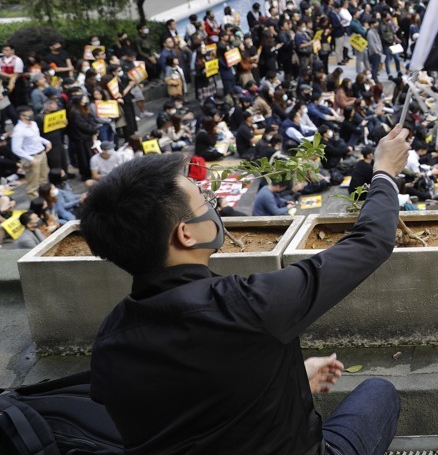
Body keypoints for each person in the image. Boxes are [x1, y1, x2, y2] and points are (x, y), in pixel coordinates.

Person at [78, 126, 411, 455]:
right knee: (379, 392)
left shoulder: (109, 340)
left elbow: (189, 408)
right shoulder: (248, 304)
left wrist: (287, 380)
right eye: (205, 202)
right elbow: (370, 242)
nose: (214, 209)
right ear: (186, 234)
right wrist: (383, 172)